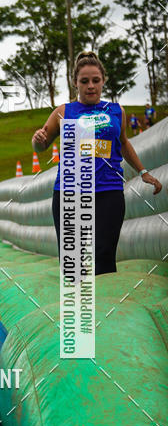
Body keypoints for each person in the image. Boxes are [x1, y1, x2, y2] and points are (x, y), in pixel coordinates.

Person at [32, 50, 163, 275]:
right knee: (73, 263)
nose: (90, 86)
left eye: (95, 80)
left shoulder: (116, 111)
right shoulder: (63, 112)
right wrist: (37, 141)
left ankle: (105, 297)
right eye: (84, 81)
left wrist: (143, 172)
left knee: (103, 254)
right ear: (75, 83)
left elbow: (123, 143)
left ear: (103, 81)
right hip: (69, 193)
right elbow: (41, 146)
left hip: (108, 191)